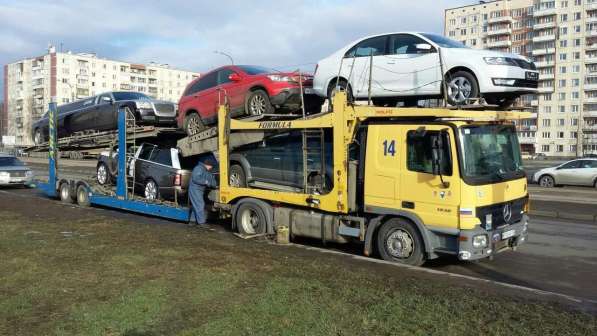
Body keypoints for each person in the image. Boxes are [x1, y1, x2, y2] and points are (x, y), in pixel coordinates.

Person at [189, 158, 217, 226]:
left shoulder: (208, 171)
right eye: (211, 166)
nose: (211, 167)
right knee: (200, 204)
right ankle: (201, 222)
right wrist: (206, 182)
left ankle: (192, 221)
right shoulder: (199, 168)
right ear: (207, 165)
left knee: (196, 205)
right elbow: (195, 178)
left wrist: (214, 185)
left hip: (200, 190)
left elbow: (213, 182)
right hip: (195, 189)